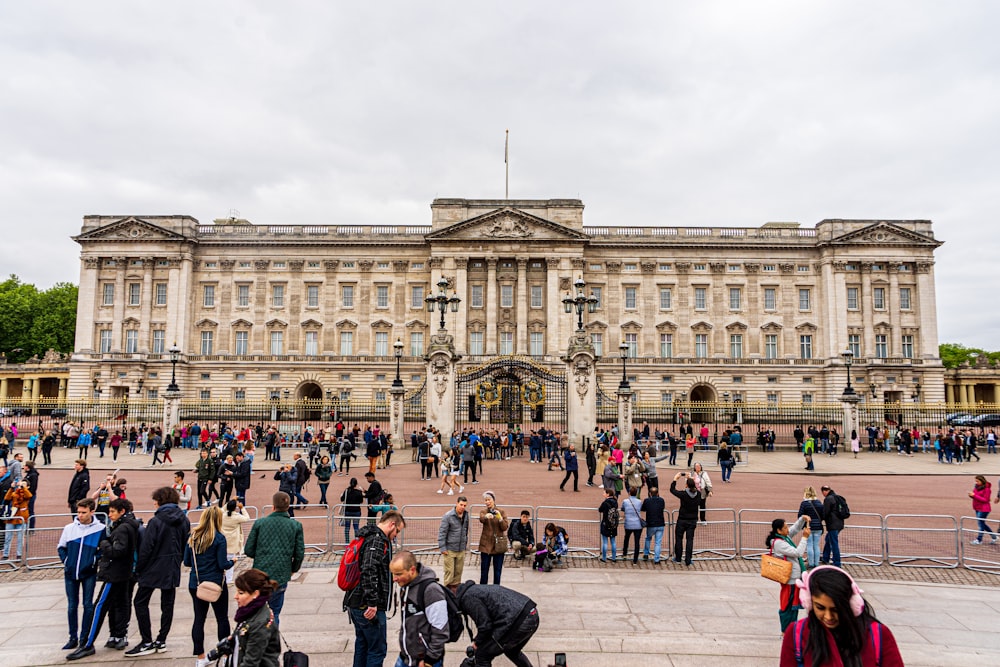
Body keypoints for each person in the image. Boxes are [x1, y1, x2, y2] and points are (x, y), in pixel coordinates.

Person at [779, 566, 903, 667]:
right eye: (820, 608)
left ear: (852, 605)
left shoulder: (879, 634)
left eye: (836, 610)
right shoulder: (796, 633)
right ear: (809, 603)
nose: (828, 617)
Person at [126, 486, 190, 657]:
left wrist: (139, 568)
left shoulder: (156, 521)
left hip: (153, 566)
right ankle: (162, 639)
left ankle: (146, 641)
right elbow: (185, 543)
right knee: (167, 605)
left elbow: (147, 548)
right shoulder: (184, 520)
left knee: (140, 601)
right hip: (172, 565)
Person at [343, 510, 406, 667]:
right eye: (397, 530)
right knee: (377, 649)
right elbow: (369, 569)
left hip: (356, 601)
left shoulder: (367, 536)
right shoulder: (377, 541)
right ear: (392, 524)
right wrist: (372, 602)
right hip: (367, 605)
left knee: (363, 645)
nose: (396, 535)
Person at [83, 497, 140, 657]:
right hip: (125, 572)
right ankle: (118, 634)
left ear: (122, 512)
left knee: (101, 605)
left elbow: (118, 551)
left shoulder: (122, 528)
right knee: (121, 603)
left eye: (113, 512)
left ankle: (90, 642)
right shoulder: (129, 526)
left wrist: (104, 544)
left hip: (116, 573)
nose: (110, 515)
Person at [243, 492, 305, 626]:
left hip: (260, 573)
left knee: (258, 611)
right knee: (275, 612)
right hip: (281, 574)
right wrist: (293, 569)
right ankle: (272, 642)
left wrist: (261, 556)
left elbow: (248, 549)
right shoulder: (295, 526)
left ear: (273, 506)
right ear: (288, 506)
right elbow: (299, 553)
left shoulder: (260, 523)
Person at [184, 506, 234, 667]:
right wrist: (232, 562)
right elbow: (222, 564)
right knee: (222, 619)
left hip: (196, 583)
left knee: (199, 619)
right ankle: (225, 654)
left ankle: (200, 657)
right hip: (215, 583)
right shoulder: (219, 538)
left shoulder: (193, 536)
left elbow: (187, 562)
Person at [58, 499, 106, 652]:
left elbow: (103, 549)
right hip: (70, 572)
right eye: (78, 512)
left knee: (88, 605)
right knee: (72, 606)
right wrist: (66, 562)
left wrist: (93, 560)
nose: (80, 515)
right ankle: (73, 637)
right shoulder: (69, 528)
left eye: (83, 512)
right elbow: (61, 547)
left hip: (88, 573)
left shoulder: (100, 529)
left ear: (92, 511)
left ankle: (84, 637)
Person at [455, 581, 538, 667]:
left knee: (482, 655)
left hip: (519, 620)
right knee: (512, 651)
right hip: (531, 613)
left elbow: (485, 626)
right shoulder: (476, 590)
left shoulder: (468, 598)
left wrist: (476, 643)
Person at [390, 550, 449, 667]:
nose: (394, 579)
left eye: (398, 574)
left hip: (425, 661)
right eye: (393, 573)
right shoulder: (405, 586)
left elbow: (441, 628)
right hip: (406, 658)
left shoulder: (431, 591)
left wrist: (429, 660)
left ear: (412, 570)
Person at [231, 568, 282, 667]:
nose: (235, 596)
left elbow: (251, 662)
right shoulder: (251, 610)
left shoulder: (259, 622)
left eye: (241, 593)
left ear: (255, 594)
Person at [766, 516, 810, 632]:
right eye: (785, 528)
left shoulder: (784, 538)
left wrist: (802, 520)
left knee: (793, 606)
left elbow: (794, 529)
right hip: (790, 578)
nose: (788, 530)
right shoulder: (779, 543)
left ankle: (791, 629)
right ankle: (786, 630)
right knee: (788, 606)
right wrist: (804, 538)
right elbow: (798, 552)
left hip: (793, 578)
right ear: (779, 531)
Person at [438, 496, 470, 592]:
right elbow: (442, 532)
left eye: (464, 505)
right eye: (461, 505)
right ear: (456, 503)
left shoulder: (466, 515)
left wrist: (465, 544)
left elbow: (465, 530)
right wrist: (443, 548)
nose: (462, 507)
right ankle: (446, 592)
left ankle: (455, 592)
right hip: (450, 549)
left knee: (458, 572)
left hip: (461, 549)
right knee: (449, 572)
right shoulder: (448, 516)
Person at [478, 491, 509, 584]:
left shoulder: (501, 512)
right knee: (484, 572)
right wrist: (486, 516)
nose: (487, 502)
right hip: (486, 545)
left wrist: (500, 518)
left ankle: (496, 590)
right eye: (486, 500)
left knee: (497, 572)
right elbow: (481, 519)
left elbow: (504, 527)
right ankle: (483, 590)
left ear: (493, 500)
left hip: (498, 545)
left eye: (489, 500)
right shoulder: (483, 511)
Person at [670, 472, 700, 566]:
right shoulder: (698, 494)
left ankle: (678, 558)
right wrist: (690, 479)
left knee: (679, 539)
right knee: (690, 540)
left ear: (686, 485)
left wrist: (675, 479)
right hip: (692, 520)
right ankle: (688, 559)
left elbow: (672, 490)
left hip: (682, 519)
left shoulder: (683, 494)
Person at [221, 499, 251, 583]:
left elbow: (221, 510)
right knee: (231, 559)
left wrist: (227, 503)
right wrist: (242, 508)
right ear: (235, 508)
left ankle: (222, 576)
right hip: (233, 540)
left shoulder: (222, 515)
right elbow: (247, 518)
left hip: (223, 539)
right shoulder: (236, 517)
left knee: (222, 558)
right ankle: (229, 579)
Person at [2, 478, 31, 561]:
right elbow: (7, 498)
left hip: (21, 518)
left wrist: (23, 487)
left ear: (27, 487)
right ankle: (5, 554)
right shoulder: (15, 493)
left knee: (20, 537)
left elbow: (28, 495)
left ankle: (19, 554)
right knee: (8, 537)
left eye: (24, 484)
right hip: (12, 516)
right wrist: (11, 488)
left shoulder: (26, 493)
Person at [798, 487, 825, 568]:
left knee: (809, 545)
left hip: (808, 526)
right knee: (816, 545)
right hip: (818, 527)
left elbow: (800, 516)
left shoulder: (804, 503)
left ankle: (811, 563)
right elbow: (822, 515)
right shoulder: (819, 502)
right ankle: (816, 563)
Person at [820, 485, 845, 567]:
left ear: (824, 491)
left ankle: (837, 563)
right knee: (829, 539)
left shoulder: (828, 499)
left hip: (832, 524)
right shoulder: (838, 497)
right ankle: (825, 557)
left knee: (834, 543)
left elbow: (825, 512)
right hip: (839, 523)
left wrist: (821, 519)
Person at [969, 475, 998, 545]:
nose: (976, 482)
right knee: (982, 524)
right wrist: (971, 496)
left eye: (977, 481)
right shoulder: (976, 487)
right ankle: (994, 537)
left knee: (980, 524)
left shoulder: (987, 489)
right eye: (976, 481)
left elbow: (985, 500)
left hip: (984, 509)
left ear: (982, 481)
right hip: (977, 507)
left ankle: (979, 539)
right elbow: (976, 496)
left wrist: (974, 495)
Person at [641, 486, 666, 564]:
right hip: (660, 523)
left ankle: (646, 553)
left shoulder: (647, 501)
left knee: (648, 538)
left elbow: (643, 509)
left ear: (650, 494)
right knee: (658, 542)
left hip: (651, 524)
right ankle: (656, 559)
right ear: (657, 493)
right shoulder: (661, 500)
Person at [621, 488, 644, 564]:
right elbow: (640, 509)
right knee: (637, 541)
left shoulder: (625, 501)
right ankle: (635, 559)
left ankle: (624, 553)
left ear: (629, 493)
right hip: (637, 524)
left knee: (626, 538)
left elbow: (622, 509)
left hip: (628, 523)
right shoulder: (639, 501)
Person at [340, 477, 364, 544]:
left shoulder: (347, 491)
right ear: (356, 484)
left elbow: (342, 499)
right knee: (356, 527)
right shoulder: (359, 492)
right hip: (356, 511)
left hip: (348, 511)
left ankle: (347, 542)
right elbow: (361, 501)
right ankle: (356, 542)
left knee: (347, 527)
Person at [598, 487, 618, 562]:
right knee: (613, 541)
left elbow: (600, 510)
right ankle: (613, 558)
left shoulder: (605, 502)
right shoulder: (615, 502)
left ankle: (604, 557)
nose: (603, 494)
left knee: (605, 542)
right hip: (613, 523)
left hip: (606, 523)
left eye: (604, 493)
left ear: (608, 494)